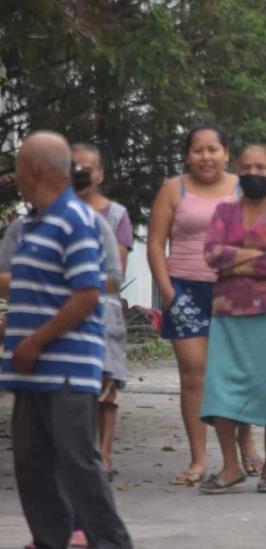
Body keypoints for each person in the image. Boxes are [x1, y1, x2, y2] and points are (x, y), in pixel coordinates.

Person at [0, 131, 132, 548]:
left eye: (19, 163)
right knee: (32, 467)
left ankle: (111, 542)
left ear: (35, 170)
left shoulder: (75, 220)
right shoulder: (32, 225)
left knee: (78, 463)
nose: (14, 173)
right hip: (30, 374)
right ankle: (50, 539)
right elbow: (37, 290)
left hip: (67, 370)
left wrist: (36, 340)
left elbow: (88, 294)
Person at [147, 124, 262, 485]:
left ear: (227, 154)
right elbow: (155, 244)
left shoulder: (244, 189)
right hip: (185, 291)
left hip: (233, 291)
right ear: (187, 155)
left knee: (236, 373)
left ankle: (245, 438)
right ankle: (198, 459)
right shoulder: (172, 189)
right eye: (198, 150)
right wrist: (168, 294)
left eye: (213, 149)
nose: (206, 157)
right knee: (193, 375)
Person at [199, 145, 266, 494]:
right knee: (220, 391)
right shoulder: (224, 212)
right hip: (228, 313)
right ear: (238, 172)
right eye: (247, 167)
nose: (253, 173)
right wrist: (255, 254)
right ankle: (230, 466)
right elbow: (211, 253)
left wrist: (234, 260)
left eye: (261, 167)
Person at [71, 143, 133, 480]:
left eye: (88, 167)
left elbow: (115, 272)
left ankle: (104, 456)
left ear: (100, 174)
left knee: (106, 386)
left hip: (102, 309)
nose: (81, 171)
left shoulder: (115, 215)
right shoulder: (49, 211)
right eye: (74, 165)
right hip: (61, 307)